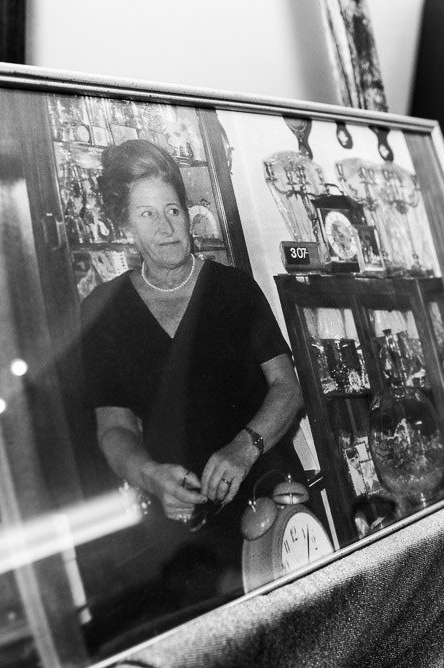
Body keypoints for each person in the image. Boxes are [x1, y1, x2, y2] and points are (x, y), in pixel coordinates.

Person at [79, 139, 305, 609]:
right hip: (181, 523)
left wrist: (244, 448)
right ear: (125, 227)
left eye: (173, 210)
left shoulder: (234, 289)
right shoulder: (103, 310)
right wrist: (149, 475)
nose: (166, 227)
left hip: (265, 498)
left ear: (188, 214)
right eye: (147, 215)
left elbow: (287, 388)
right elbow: (113, 427)